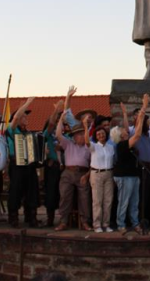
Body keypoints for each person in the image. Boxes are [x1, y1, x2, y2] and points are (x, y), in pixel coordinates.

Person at [55, 101, 92, 231]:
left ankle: (85, 222)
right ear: (74, 136)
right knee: (65, 195)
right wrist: (60, 119)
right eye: (78, 134)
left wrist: (87, 176)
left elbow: (93, 164)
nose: (81, 136)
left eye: (82, 134)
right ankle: (63, 221)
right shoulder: (68, 144)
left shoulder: (88, 147)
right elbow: (58, 134)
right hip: (68, 172)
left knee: (85, 198)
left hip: (83, 173)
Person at [112, 101, 147, 233]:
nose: (125, 130)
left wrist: (141, 109)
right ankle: (121, 224)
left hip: (133, 175)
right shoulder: (121, 145)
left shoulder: (127, 144)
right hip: (124, 176)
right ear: (120, 135)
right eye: (122, 130)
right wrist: (142, 113)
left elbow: (134, 130)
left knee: (134, 202)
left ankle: (135, 223)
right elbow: (137, 134)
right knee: (123, 201)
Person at [6, 97, 39, 228]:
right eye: (23, 116)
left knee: (32, 190)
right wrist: (27, 104)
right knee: (15, 191)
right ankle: (13, 218)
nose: (26, 118)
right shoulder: (12, 129)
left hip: (29, 166)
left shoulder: (29, 133)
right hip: (17, 165)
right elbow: (14, 118)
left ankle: (31, 217)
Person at [86, 114, 116, 233]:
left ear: (106, 134)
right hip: (97, 174)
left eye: (103, 133)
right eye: (98, 134)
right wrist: (85, 126)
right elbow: (86, 141)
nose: (101, 135)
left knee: (108, 201)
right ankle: (97, 225)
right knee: (97, 201)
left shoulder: (110, 147)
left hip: (109, 174)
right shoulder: (93, 146)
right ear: (96, 136)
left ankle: (106, 224)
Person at [41, 100, 64, 227]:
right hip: (52, 166)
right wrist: (56, 110)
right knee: (50, 193)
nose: (56, 125)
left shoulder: (62, 136)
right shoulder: (47, 135)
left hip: (62, 168)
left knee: (62, 194)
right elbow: (50, 123)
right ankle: (50, 219)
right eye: (56, 123)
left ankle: (63, 220)